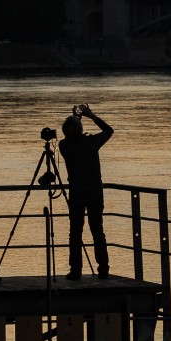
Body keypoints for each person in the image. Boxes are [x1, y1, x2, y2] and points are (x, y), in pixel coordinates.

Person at [58, 103, 114, 280]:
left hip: (77, 193)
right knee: (97, 231)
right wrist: (91, 115)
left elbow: (71, 136)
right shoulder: (92, 142)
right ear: (81, 128)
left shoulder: (64, 146)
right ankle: (103, 269)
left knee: (75, 233)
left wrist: (76, 119)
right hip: (95, 192)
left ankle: (75, 270)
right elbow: (109, 130)